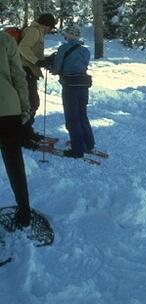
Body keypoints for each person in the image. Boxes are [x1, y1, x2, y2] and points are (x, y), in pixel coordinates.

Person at [0, 31, 32, 227]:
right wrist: (24, 107)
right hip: (8, 107)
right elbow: (18, 76)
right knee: (13, 161)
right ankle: (24, 213)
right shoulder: (5, 40)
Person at [50, 24, 95, 158]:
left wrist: (51, 68)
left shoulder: (63, 48)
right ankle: (89, 144)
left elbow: (56, 68)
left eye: (66, 34)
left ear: (69, 36)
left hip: (70, 86)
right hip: (83, 84)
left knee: (72, 117)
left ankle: (77, 149)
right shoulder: (86, 51)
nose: (64, 36)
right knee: (82, 115)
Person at [19, 13, 57, 147]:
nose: (50, 30)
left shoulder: (36, 31)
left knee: (32, 103)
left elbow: (32, 51)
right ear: (46, 25)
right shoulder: (34, 31)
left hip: (29, 70)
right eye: (51, 27)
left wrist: (44, 60)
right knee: (31, 103)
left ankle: (27, 132)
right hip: (26, 71)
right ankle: (23, 136)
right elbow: (22, 48)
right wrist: (38, 61)